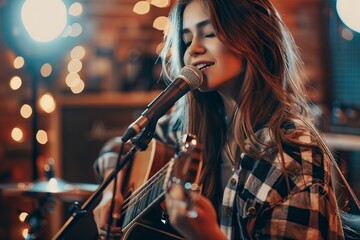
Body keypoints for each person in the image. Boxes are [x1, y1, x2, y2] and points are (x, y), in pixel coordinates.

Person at [93, 0, 345, 239]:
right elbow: (117, 148)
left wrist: (206, 235)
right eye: (186, 39)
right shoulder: (188, 124)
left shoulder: (291, 152)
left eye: (210, 33)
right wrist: (110, 195)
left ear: (253, 37)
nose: (193, 49)